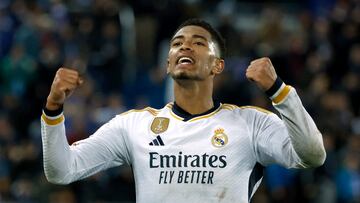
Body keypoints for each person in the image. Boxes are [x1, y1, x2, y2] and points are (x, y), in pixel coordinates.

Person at [41, 19, 326, 203]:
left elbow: (313, 155)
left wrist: (280, 91)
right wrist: (53, 108)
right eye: (177, 43)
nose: (185, 45)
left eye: (199, 42)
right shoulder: (133, 126)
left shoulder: (251, 124)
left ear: (218, 66)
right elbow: (62, 171)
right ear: (168, 64)